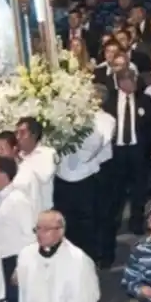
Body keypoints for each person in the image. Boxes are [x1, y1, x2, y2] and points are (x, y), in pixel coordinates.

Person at [16, 210, 100, 302]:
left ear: (61, 231)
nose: (40, 234)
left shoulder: (79, 261)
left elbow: (90, 299)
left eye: (46, 229)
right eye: (38, 229)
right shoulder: (25, 255)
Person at [53, 84, 114, 262]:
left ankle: (89, 259)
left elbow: (94, 147)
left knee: (90, 223)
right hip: (64, 177)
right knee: (65, 220)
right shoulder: (65, 117)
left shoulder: (105, 119)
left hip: (89, 177)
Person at [102, 68, 151, 246]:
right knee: (116, 190)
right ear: (120, 82)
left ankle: (136, 222)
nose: (133, 83)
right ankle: (115, 222)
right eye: (128, 80)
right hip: (116, 151)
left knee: (139, 189)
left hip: (137, 150)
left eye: (133, 79)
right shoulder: (110, 101)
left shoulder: (144, 99)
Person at [0, 156, 35, 301]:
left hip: (14, 261)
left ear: (3, 174)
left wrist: (21, 267)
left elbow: (30, 235)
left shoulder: (18, 200)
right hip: (1, 260)